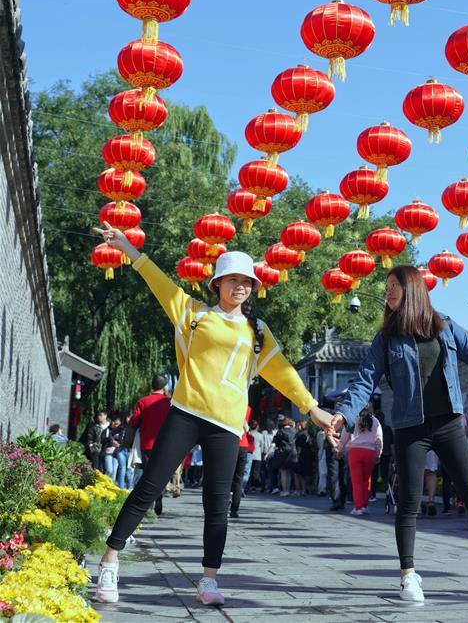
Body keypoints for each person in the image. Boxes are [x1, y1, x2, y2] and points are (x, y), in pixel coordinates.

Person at [93, 229, 332, 608]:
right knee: (149, 485)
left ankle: (208, 579)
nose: (241, 286)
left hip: (226, 424)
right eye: (233, 279)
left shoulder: (257, 331)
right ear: (217, 282)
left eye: (247, 281)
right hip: (187, 412)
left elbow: (283, 373)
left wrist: (313, 409)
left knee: (217, 504)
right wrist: (130, 251)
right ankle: (110, 560)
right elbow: (158, 282)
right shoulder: (193, 313)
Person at [329, 265, 468, 604]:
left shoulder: (446, 328)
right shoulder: (386, 338)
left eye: (395, 286)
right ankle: (408, 576)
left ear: (413, 289)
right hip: (411, 428)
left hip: (448, 424)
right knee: (408, 502)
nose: (388, 293)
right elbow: (365, 379)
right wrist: (344, 413)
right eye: (387, 287)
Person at [130, 374, 171, 516]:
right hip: (165, 443)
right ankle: (159, 495)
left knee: (148, 474)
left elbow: (134, 421)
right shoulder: (170, 403)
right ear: (164, 387)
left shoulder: (143, 401)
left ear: (151, 386)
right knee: (161, 472)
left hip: (147, 444)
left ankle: (150, 501)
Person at [337, 406, 382, 516]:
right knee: (367, 480)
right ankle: (365, 506)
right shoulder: (375, 421)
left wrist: (340, 450)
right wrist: (378, 453)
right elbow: (379, 438)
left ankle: (358, 507)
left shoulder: (352, 419)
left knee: (356, 481)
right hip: (370, 452)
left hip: (355, 451)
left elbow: (344, 436)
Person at [230, 410, 253, 519]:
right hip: (243, 445)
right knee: (238, 480)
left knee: (228, 477)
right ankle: (234, 509)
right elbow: (247, 428)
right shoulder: (246, 410)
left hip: (232, 443)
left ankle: (224, 505)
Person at [370, 411, 392, 501]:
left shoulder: (373, 428)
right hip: (386, 453)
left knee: (373, 474)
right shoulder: (388, 429)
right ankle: (387, 492)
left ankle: (373, 494)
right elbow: (392, 442)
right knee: (385, 474)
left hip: (375, 453)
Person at [273, 417, 297, 497]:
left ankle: (284, 490)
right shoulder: (294, 430)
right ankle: (288, 490)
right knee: (289, 472)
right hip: (293, 452)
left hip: (283, 452)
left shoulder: (281, 431)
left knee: (283, 472)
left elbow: (275, 441)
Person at [102, 414, 124, 482]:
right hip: (108, 452)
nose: (116, 425)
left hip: (117, 453)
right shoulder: (107, 430)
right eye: (114, 422)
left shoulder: (122, 431)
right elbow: (103, 440)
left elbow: (124, 441)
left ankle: (111, 488)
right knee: (109, 470)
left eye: (117, 423)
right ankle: (103, 483)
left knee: (114, 472)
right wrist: (111, 441)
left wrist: (119, 443)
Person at [293, 420, 312, 496]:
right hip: (307, 455)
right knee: (304, 474)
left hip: (300, 454)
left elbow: (297, 445)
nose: (297, 427)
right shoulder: (308, 434)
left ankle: (299, 490)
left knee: (298, 473)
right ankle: (304, 489)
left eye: (298, 425)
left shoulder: (300, 435)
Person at [247, 420, 263, 492]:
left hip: (249, 453)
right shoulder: (260, 435)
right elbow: (262, 445)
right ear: (257, 427)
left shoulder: (249, 434)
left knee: (248, 471)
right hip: (257, 455)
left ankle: (248, 485)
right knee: (256, 471)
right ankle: (254, 486)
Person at [422, 450, 438, 516]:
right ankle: (431, 500)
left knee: (416, 471)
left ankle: (417, 506)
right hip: (431, 445)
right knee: (431, 471)